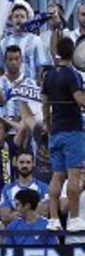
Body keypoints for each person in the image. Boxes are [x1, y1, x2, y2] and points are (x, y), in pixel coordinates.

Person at [41, 36, 85, 231]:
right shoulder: (73, 75)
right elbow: (80, 100)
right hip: (73, 130)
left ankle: (53, 219)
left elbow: (44, 104)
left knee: (57, 175)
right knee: (74, 175)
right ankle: (74, 219)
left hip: (56, 131)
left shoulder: (48, 75)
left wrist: (49, 126)